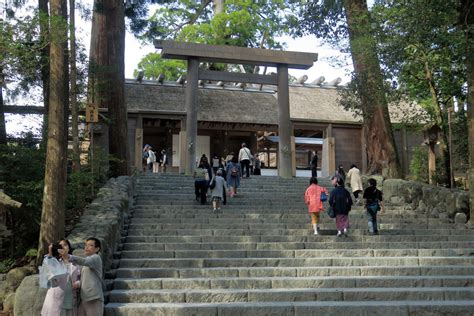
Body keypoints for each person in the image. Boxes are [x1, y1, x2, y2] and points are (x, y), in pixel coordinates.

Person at [62, 237, 104, 316]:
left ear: (97, 249)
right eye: (86, 245)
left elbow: (84, 261)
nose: (86, 247)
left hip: (93, 298)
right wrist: (78, 283)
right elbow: (86, 278)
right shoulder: (88, 262)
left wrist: (69, 256)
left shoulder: (96, 258)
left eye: (90, 245)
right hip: (84, 298)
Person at [41, 239, 81, 316]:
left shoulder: (76, 263)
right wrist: (50, 253)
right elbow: (46, 267)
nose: (63, 247)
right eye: (60, 246)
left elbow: (80, 279)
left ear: (69, 247)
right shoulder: (54, 262)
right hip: (56, 299)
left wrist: (78, 283)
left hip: (71, 298)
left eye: (65, 244)